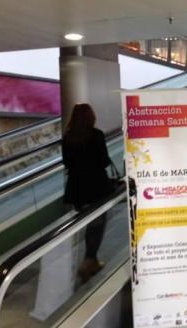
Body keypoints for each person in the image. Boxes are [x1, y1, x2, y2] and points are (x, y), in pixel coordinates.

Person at [62, 103, 115, 282]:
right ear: (91, 117)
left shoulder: (68, 137)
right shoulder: (96, 135)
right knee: (98, 222)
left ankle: (90, 259)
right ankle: (89, 260)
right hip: (96, 186)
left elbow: (67, 163)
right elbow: (104, 161)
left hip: (77, 188)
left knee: (89, 221)